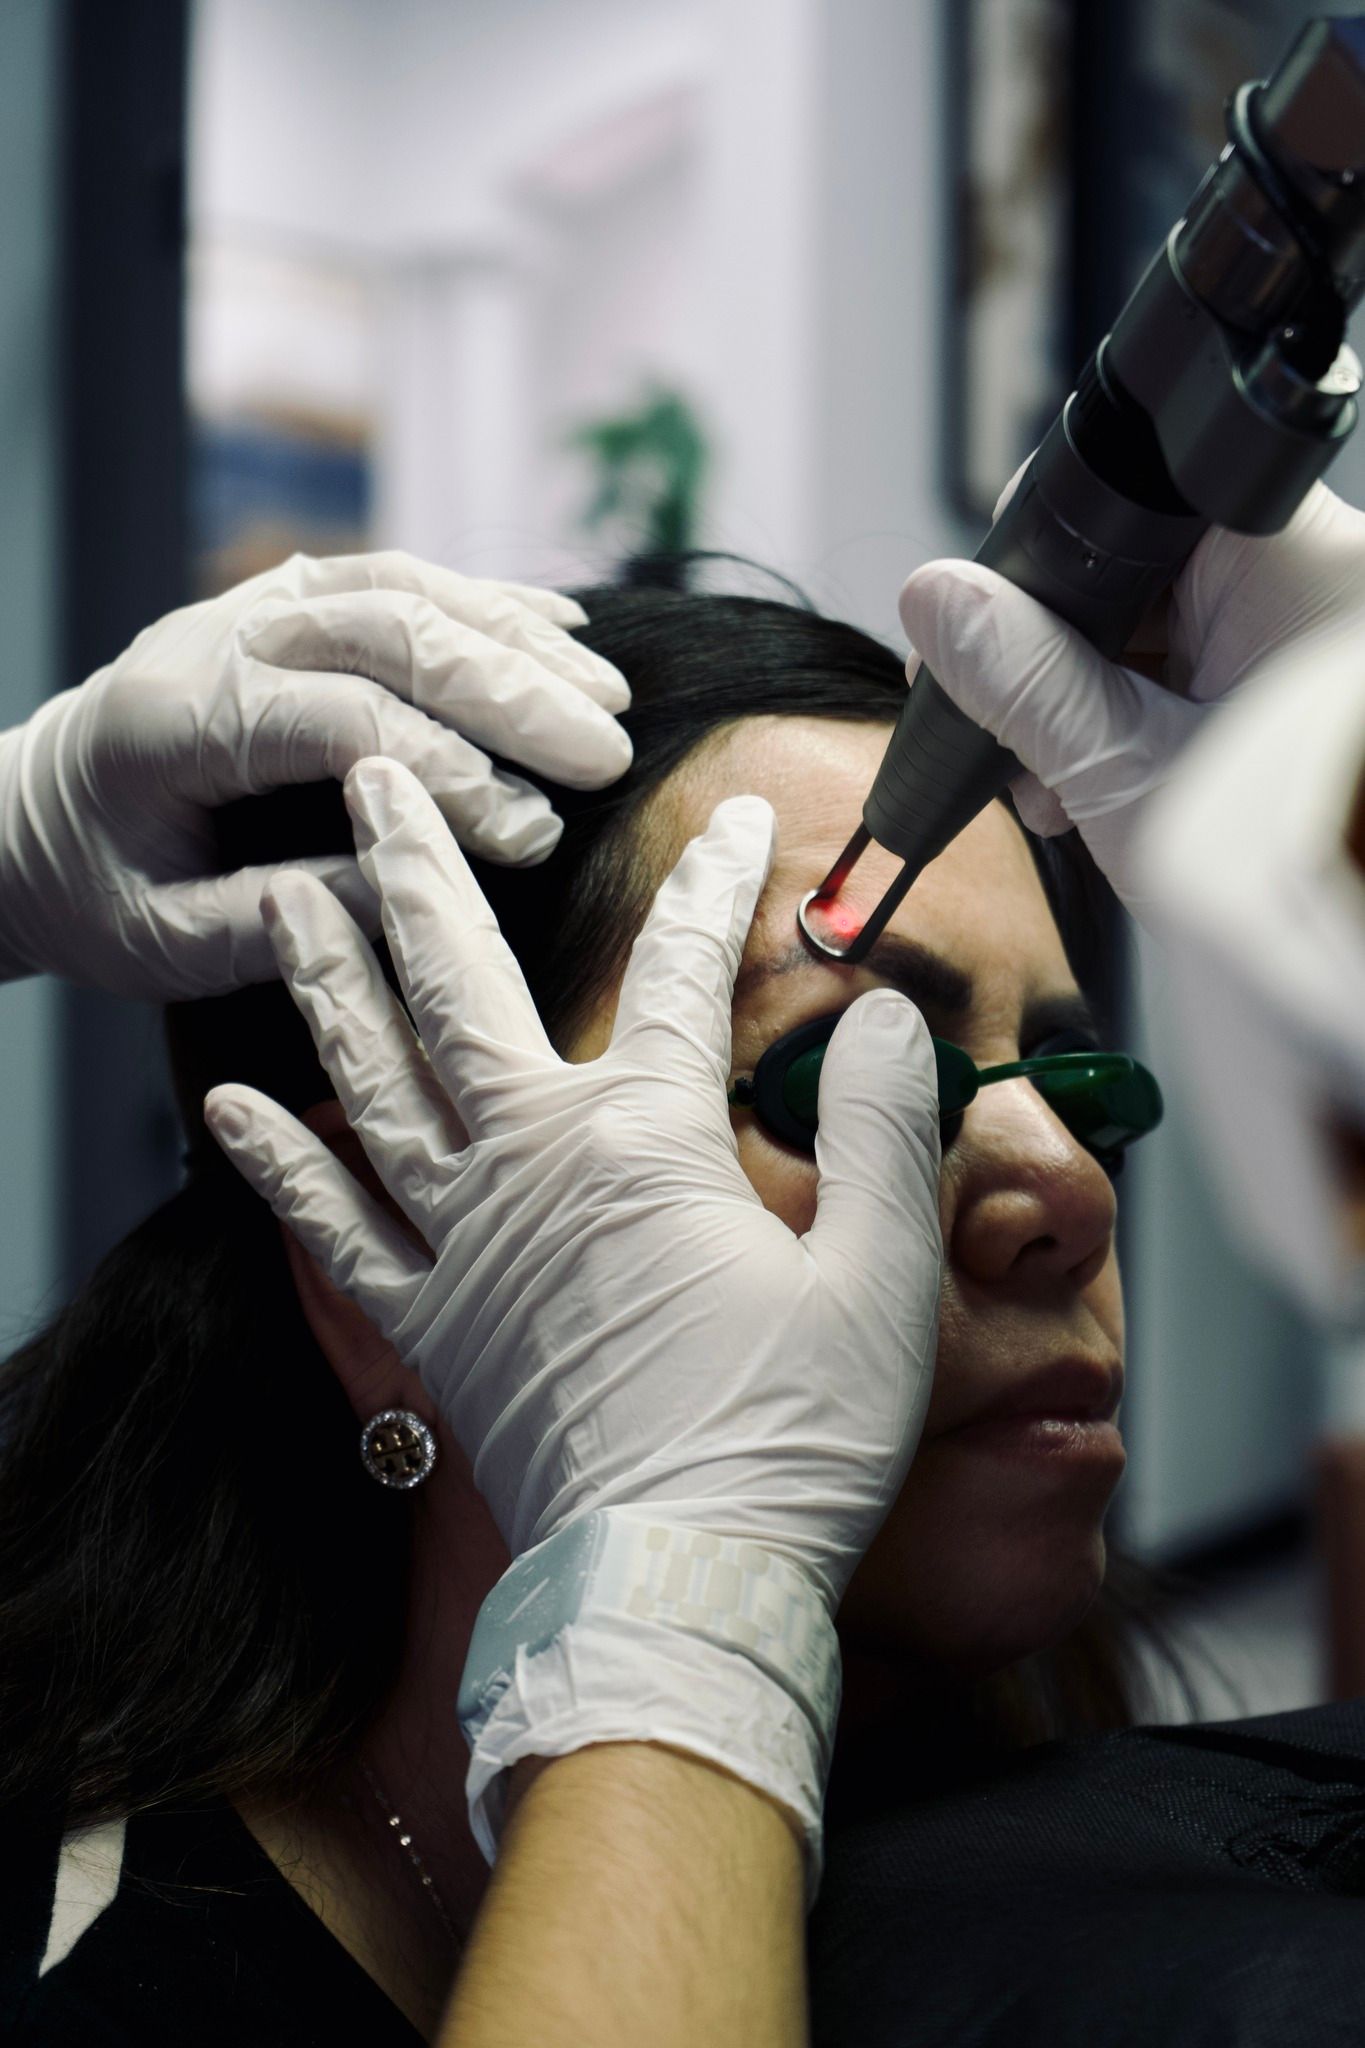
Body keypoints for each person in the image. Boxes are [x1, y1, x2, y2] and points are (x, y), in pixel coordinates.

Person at [1, 571, 1162, 2044]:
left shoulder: (1120, 1843)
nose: (1065, 1187)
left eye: (1069, 1081)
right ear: (378, 1258)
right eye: (832, 1081)